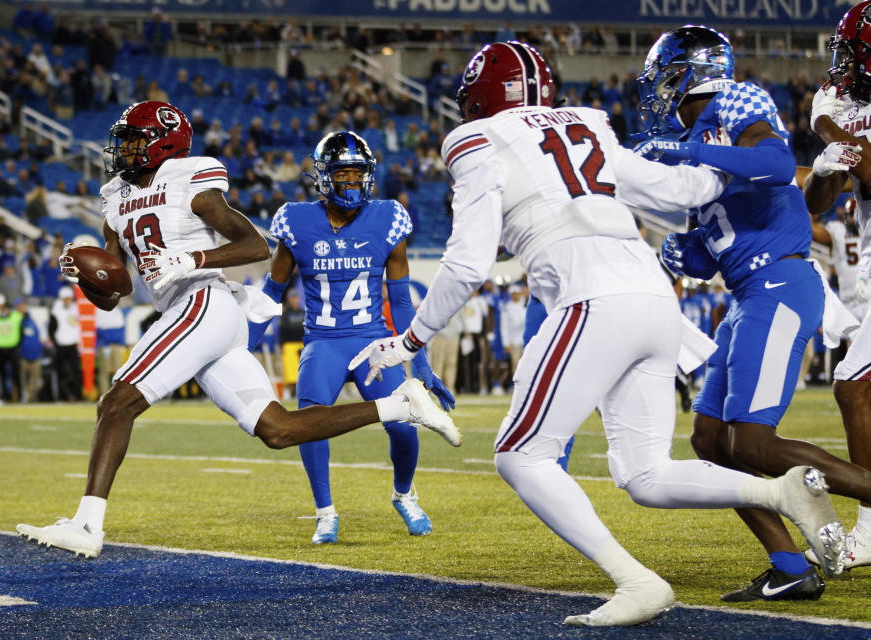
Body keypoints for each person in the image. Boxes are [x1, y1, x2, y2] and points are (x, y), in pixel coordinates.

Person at [349, 40, 845, 627]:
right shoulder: (589, 123)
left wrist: (408, 341)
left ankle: (637, 583)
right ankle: (781, 493)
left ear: (482, 98)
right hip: (655, 304)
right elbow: (686, 190)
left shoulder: (474, 139)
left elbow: (465, 264)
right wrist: (728, 166)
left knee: (518, 455)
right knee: (646, 474)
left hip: (592, 298)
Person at [16, 101, 458, 560]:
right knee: (277, 429)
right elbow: (119, 291)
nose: (123, 150)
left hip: (202, 301)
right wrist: (89, 278)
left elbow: (253, 245)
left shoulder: (188, 177)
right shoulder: (114, 198)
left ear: (163, 142)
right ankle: (398, 405)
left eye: (133, 140)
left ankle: (88, 524)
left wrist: (190, 259)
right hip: (192, 314)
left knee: (116, 401)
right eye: (123, 141)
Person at [632, 24, 871, 601]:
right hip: (746, 295)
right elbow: (715, 235)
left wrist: (689, 151)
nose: (657, 90)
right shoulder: (698, 144)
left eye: (664, 76)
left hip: (781, 284)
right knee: (711, 441)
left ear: (688, 71)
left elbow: (771, 160)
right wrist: (686, 249)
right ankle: (788, 564)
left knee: (755, 446)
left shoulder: (736, 100)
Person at [248, 131, 455, 545]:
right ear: (324, 177)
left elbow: (399, 300)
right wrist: (242, 348)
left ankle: (404, 494)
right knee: (309, 419)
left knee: (403, 425)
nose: (352, 183)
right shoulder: (297, 221)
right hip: (323, 341)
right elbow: (271, 293)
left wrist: (422, 363)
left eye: (358, 174)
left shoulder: (387, 218)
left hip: (373, 341)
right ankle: (325, 512)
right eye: (342, 174)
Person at [801, 0, 871, 573]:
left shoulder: (847, 116)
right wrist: (826, 163)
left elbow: (869, 165)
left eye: (851, 52)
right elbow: (818, 204)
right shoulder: (856, 112)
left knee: (853, 384)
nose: (842, 65)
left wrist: (827, 124)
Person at [49, 286, 82, 402]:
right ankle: (63, 395)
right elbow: (51, 329)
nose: (67, 300)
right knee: (61, 372)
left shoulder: (75, 308)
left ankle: (77, 395)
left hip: (73, 345)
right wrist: (55, 343)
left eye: (69, 298)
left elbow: (78, 326)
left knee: (75, 372)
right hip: (61, 345)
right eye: (65, 298)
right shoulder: (55, 310)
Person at [0, 294, 23, 402]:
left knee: (16, 374)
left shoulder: (16, 316)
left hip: (13, 348)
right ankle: (4, 396)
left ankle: (19, 396)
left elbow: (21, 332)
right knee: (1, 375)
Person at [16, 298, 43, 403]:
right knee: (22, 380)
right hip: (22, 354)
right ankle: (23, 398)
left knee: (35, 380)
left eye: (23, 306)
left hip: (36, 353)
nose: (22, 308)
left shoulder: (32, 320)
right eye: (19, 306)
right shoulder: (17, 321)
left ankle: (32, 399)